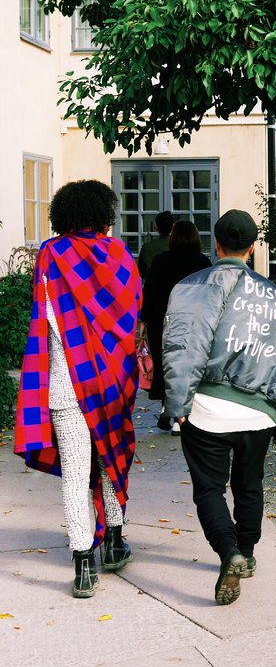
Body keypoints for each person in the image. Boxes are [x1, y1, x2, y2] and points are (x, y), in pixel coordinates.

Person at [163, 209, 276, 606]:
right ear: (253, 249)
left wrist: (177, 404)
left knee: (209, 490)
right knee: (249, 486)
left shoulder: (194, 287)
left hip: (208, 408)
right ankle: (247, 554)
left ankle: (228, 551)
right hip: (260, 414)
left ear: (216, 244)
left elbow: (187, 342)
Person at [14, 180, 142, 598]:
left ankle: (83, 564)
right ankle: (116, 542)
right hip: (110, 381)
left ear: (62, 215)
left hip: (66, 380)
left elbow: (46, 316)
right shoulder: (120, 255)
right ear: (104, 214)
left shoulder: (52, 254)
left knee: (74, 472)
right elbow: (132, 314)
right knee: (111, 457)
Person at [139, 221, 211, 434]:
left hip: (161, 319)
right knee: (191, 364)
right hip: (193, 321)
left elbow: (149, 292)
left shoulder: (161, 261)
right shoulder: (202, 261)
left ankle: (166, 406)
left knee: (164, 364)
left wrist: (144, 320)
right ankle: (183, 412)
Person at [137, 210, 173, 278]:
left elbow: (142, 272)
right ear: (172, 226)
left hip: (153, 284)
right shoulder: (178, 245)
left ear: (156, 227)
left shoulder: (147, 247)